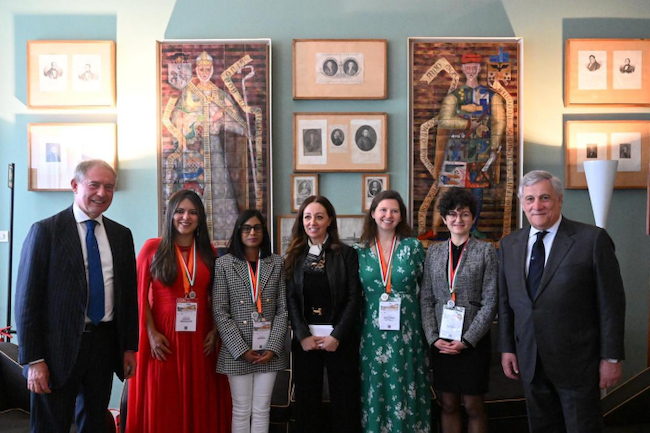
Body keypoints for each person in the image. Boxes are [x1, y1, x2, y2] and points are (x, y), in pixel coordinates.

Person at [498, 170, 626, 433]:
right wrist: (507, 348)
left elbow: (611, 304)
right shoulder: (510, 245)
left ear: (559, 200)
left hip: (578, 364)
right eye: (530, 199)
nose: (537, 206)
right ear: (522, 204)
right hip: (530, 361)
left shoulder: (591, 240)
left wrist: (611, 358)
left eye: (544, 197)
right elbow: (506, 302)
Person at [15, 159, 137, 432]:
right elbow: (27, 301)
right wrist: (33, 360)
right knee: (51, 425)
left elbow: (128, 297)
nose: (102, 193)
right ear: (75, 185)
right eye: (94, 185)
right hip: (54, 351)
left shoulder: (121, 235)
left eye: (109, 187)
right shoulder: (46, 231)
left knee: (95, 423)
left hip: (104, 346)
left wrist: (129, 347)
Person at [126, 190, 231, 433]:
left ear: (200, 218)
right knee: (165, 398)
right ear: (170, 215)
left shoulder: (209, 252)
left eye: (193, 212)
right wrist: (150, 333)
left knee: (199, 394)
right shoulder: (152, 248)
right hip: (162, 338)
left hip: (200, 337)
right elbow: (138, 297)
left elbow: (217, 297)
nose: (186, 217)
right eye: (180, 211)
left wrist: (215, 331)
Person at [420, 188, 497, 433]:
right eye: (452, 214)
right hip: (442, 341)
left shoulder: (486, 251)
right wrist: (433, 338)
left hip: (473, 343)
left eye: (464, 214)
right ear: (444, 219)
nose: (458, 219)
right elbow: (426, 299)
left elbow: (491, 301)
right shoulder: (433, 252)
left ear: (472, 218)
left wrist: (467, 340)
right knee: (448, 405)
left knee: (474, 406)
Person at [356, 190, 431, 432]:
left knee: (407, 386)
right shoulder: (359, 251)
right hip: (372, 333)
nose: (388, 215)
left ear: (401, 216)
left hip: (407, 332)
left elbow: (427, 290)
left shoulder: (413, 246)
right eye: (383, 210)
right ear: (373, 214)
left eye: (394, 211)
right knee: (375, 386)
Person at [285, 196, 361, 433]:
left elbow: (354, 298)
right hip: (306, 342)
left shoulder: (346, 254)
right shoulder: (294, 255)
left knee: (344, 403)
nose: (313, 222)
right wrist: (302, 335)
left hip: (340, 340)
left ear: (329, 220)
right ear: (301, 221)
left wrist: (337, 336)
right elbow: (291, 299)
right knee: (307, 405)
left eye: (319, 216)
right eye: (307, 217)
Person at [213, 210, 288, 433]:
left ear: (264, 232)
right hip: (237, 351)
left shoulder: (276, 262)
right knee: (241, 410)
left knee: (263, 408)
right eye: (246, 228)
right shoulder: (224, 264)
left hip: (269, 350)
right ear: (239, 232)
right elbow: (220, 310)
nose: (252, 232)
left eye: (257, 228)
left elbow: (283, 310)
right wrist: (241, 349)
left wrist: (273, 348)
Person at [162, 50, 248, 244]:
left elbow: (238, 123)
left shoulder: (219, 94)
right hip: (193, 151)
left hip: (213, 148)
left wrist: (222, 118)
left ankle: (222, 238)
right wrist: (203, 121)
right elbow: (178, 119)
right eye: (200, 68)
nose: (203, 72)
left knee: (219, 191)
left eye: (207, 69)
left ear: (212, 70)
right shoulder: (188, 93)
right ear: (196, 69)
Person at [425, 52, 505, 240]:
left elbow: (499, 121)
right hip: (457, 151)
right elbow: (445, 121)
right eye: (467, 67)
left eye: (474, 66)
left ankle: (472, 228)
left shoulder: (491, 96)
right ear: (463, 69)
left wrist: (494, 146)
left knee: (477, 192)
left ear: (479, 68)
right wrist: (468, 124)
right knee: (445, 189)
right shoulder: (454, 96)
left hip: (480, 151)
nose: (471, 70)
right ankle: (434, 229)